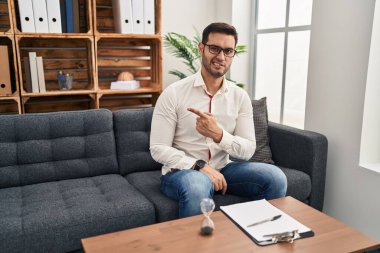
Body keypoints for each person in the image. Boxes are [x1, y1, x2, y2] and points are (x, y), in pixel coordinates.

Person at [150, 22, 287, 218]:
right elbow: (158, 148)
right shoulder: (173, 93)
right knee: (198, 184)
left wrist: (219, 135)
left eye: (228, 51)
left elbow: (248, 150)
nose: (221, 57)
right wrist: (200, 166)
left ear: (233, 54)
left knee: (275, 178)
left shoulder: (240, 96)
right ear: (201, 48)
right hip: (181, 172)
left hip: (224, 168)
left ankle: (259, 239)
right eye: (214, 48)